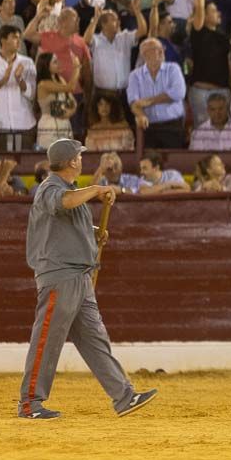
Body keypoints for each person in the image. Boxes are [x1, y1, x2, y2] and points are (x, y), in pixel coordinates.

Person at [18, 138, 157, 419]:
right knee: (47, 338)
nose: (82, 159)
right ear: (72, 162)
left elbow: (70, 218)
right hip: (60, 275)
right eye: (79, 156)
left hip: (79, 275)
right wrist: (96, 189)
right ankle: (30, 403)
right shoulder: (51, 189)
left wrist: (93, 232)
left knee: (95, 339)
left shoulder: (69, 190)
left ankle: (124, 395)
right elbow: (64, 204)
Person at [0, 25, 37, 151]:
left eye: (19, 38)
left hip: (23, 123)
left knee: (23, 164)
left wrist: (19, 80)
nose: (19, 41)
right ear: (3, 40)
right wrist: (3, 80)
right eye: (14, 38)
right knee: (0, 163)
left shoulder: (27, 63)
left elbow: (31, 94)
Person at [126, 38, 187, 148]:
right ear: (145, 55)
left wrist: (148, 101)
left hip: (172, 125)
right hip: (149, 127)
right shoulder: (135, 76)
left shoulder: (173, 69)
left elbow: (179, 93)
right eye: (156, 49)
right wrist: (140, 115)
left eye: (162, 48)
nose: (161, 51)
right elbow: (134, 103)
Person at [34, 52, 79, 150]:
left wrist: (69, 113)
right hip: (49, 127)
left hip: (64, 124)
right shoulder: (43, 84)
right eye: (55, 62)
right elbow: (70, 87)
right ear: (46, 66)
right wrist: (76, 68)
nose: (59, 63)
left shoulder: (61, 80)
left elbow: (73, 102)